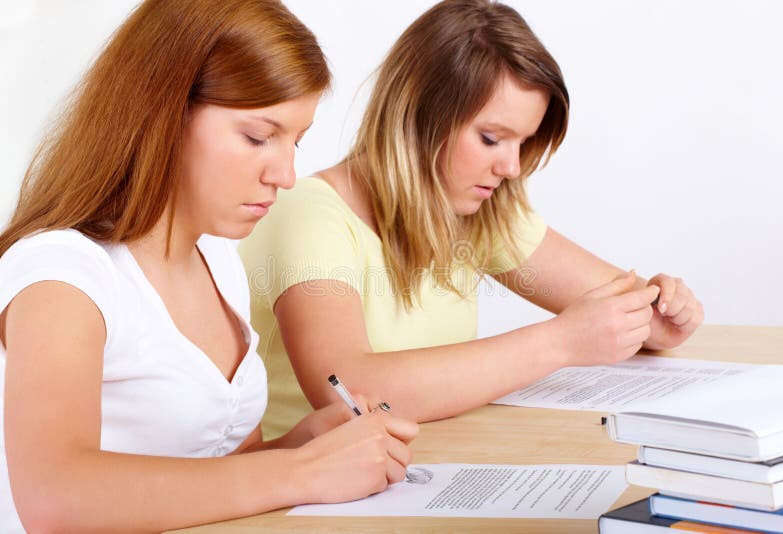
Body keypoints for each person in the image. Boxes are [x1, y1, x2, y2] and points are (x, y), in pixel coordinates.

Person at [0, 1, 418, 531]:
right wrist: (298, 471)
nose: (286, 174)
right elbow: (54, 497)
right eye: (258, 137)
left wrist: (307, 444)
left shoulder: (217, 261)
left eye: (297, 140)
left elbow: (208, 478)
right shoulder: (62, 275)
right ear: (162, 112)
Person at [239, 0, 704, 440]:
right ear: (419, 115)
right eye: (491, 138)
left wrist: (663, 312)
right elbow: (351, 392)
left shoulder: (475, 213)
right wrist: (562, 341)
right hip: (311, 507)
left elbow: (627, 314)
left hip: (422, 473)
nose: (511, 167)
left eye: (521, 142)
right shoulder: (309, 215)